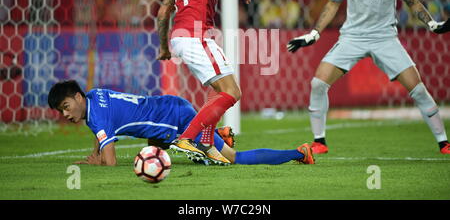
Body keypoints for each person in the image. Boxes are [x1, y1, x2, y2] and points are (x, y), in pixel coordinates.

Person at [287, 0, 450, 155]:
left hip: (385, 38)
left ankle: (444, 143)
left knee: (418, 89)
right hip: (352, 37)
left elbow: (411, 1)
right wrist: (314, 33)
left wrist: (432, 24)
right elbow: (332, 5)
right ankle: (319, 142)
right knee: (318, 83)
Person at [156, 0, 251, 164]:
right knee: (232, 92)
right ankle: (187, 138)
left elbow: (163, 12)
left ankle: (207, 143)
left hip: (180, 37)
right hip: (195, 35)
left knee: (217, 91)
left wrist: (165, 47)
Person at [47, 80, 314, 166]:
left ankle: (299, 153)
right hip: (166, 110)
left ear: (78, 97)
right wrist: (95, 151)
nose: (66, 115)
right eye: (62, 111)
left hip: (176, 119)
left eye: (67, 107)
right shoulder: (95, 96)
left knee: (233, 159)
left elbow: (111, 161)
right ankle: (215, 132)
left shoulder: (97, 115)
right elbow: (101, 127)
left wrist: (99, 161)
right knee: (153, 151)